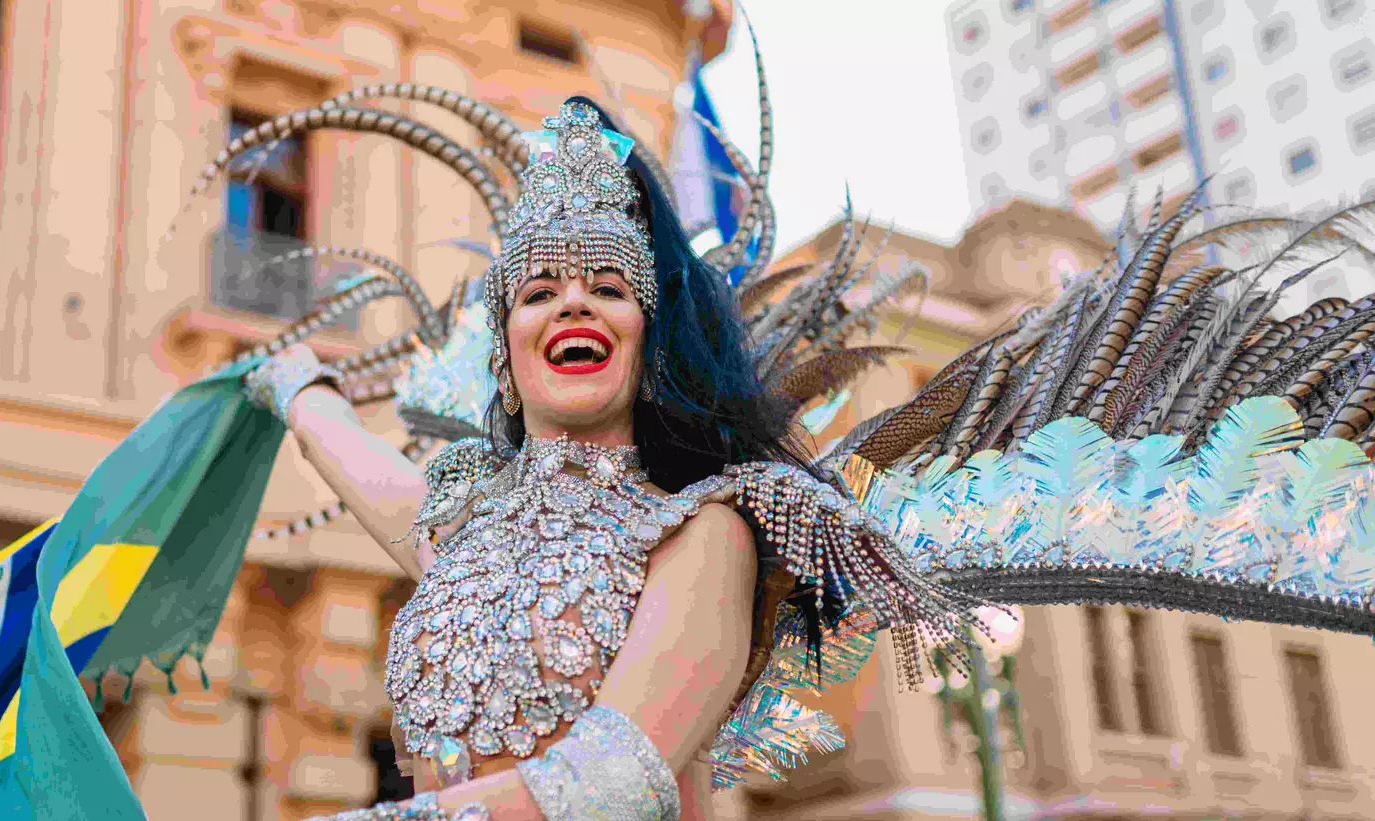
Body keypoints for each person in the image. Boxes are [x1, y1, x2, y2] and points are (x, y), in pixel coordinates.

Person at [241, 99, 965, 821]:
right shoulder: (466, 535)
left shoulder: (702, 530)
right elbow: (355, 459)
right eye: (540, 292)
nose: (574, 305)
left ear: (647, 349)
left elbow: (609, 777)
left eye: (609, 289)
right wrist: (294, 384)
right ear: (506, 355)